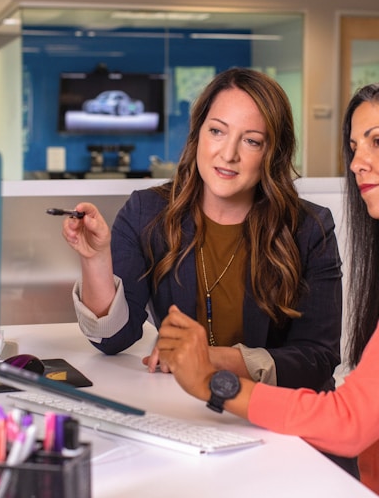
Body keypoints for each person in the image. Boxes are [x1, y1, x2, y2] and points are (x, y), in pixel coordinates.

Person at [63, 67, 355, 475]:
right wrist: (95, 259)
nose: (228, 154)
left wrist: (212, 361)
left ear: (273, 153)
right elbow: (113, 339)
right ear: (198, 132)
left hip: (283, 429)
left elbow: (318, 358)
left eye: (251, 141)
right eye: (217, 131)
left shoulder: (309, 227)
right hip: (190, 423)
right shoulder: (147, 212)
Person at [156, 82, 379, 494]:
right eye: (354, 147)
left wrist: (213, 381)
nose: (358, 164)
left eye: (377, 142)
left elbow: (347, 420)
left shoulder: (309, 228)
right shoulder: (149, 212)